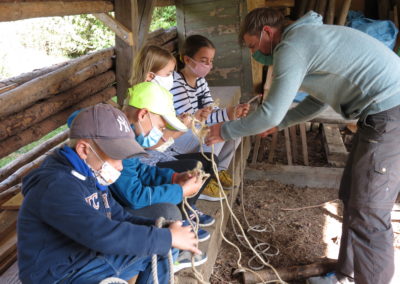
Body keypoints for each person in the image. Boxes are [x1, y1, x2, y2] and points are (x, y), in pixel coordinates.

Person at [206, 7, 400, 284]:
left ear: (267, 33)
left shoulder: (292, 46)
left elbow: (270, 112)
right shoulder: (306, 38)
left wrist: (224, 130)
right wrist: (282, 123)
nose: (253, 54)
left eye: (252, 46)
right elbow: (318, 100)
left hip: (391, 113)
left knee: (369, 210)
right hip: (379, 114)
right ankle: (346, 274)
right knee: (352, 195)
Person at [17, 103, 201, 284]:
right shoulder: (55, 186)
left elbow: (118, 215)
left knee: (163, 246)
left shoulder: (89, 175)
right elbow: (99, 234)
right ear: (84, 149)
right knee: (162, 243)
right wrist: (166, 237)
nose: (120, 167)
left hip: (84, 260)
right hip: (58, 275)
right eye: (116, 157)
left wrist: (160, 228)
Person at [129, 45, 220, 203]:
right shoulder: (138, 102)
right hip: (150, 162)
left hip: (163, 154)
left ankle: (189, 204)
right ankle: (184, 208)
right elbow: (150, 145)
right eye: (169, 73)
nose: (173, 77)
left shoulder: (160, 96)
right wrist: (181, 127)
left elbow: (164, 126)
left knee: (210, 160)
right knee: (194, 167)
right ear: (151, 76)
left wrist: (189, 118)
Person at [170, 34, 250, 201]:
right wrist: (227, 113)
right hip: (177, 138)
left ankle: (218, 170)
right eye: (203, 60)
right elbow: (191, 122)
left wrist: (230, 114)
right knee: (218, 130)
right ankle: (203, 180)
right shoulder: (177, 83)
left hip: (193, 130)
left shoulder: (200, 81)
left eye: (211, 61)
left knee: (236, 126)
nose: (208, 65)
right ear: (187, 59)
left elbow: (210, 108)